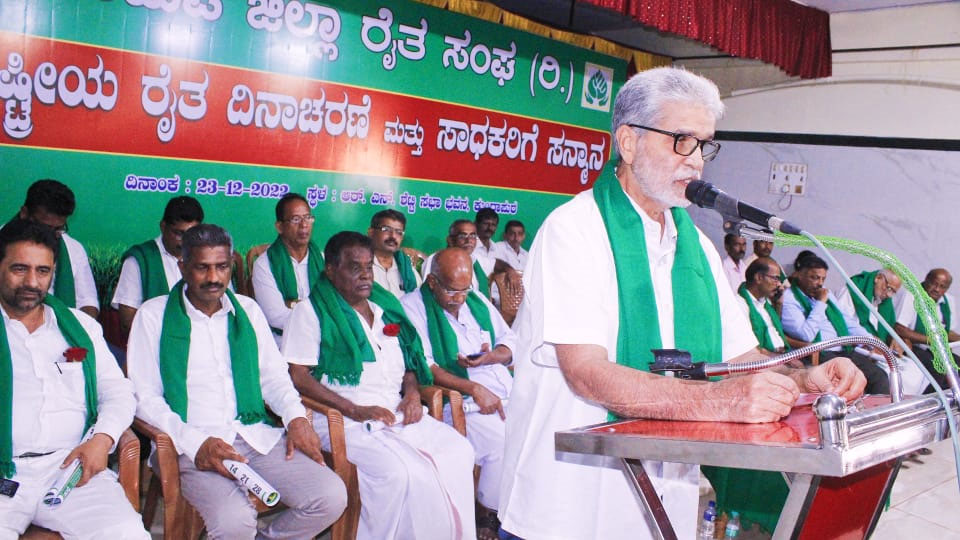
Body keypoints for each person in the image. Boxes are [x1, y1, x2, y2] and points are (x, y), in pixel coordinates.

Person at [497, 66, 866, 540]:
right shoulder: (574, 230)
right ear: (628, 142)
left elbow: (740, 358)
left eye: (704, 145)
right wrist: (720, 401)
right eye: (681, 141)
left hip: (661, 500)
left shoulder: (698, 249)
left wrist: (802, 380)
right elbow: (587, 373)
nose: (695, 162)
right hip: (568, 505)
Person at [127, 224, 347, 539]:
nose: (214, 278)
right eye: (202, 267)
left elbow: (273, 378)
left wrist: (296, 418)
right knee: (234, 521)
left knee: (330, 497)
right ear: (183, 267)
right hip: (189, 444)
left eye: (222, 267)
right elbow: (144, 398)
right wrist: (196, 443)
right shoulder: (153, 316)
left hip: (255, 435)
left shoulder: (248, 311)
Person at [282, 231, 476, 540]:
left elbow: (409, 363)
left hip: (394, 410)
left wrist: (412, 394)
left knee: (459, 451)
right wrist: (354, 410)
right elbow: (298, 376)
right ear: (331, 270)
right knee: (402, 473)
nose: (365, 275)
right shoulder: (310, 312)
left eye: (368, 266)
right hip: (342, 419)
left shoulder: (385, 307)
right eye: (354, 267)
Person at [0, 219, 148, 539]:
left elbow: (118, 391)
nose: (31, 282)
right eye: (19, 269)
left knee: (126, 533)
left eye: (43, 271)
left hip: (72, 467)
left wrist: (102, 439)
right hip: (4, 471)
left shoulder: (80, 327)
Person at [401, 248, 516, 540]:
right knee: (503, 441)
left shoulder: (476, 300)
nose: (460, 298)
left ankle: (522, 511)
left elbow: (510, 340)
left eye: (465, 290)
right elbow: (425, 365)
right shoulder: (412, 308)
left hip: (505, 389)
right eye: (452, 291)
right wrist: (474, 389)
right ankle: (488, 512)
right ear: (432, 282)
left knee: (540, 433)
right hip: (459, 400)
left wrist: (492, 357)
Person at [780, 255, 890, 394]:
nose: (820, 283)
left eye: (823, 279)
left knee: (879, 376)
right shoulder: (790, 299)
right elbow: (806, 335)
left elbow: (846, 321)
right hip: (820, 353)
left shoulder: (825, 293)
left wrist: (871, 340)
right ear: (799, 275)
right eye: (814, 278)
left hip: (843, 349)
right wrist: (820, 303)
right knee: (852, 380)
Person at [111, 196, 204, 335]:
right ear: (163, 227)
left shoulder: (207, 257)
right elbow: (128, 322)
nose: (185, 241)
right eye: (179, 233)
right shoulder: (140, 260)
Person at [835, 268, 927, 396]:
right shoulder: (851, 291)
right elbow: (842, 325)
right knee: (882, 377)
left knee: (916, 371)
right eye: (888, 288)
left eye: (893, 292)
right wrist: (870, 341)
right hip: (851, 349)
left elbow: (887, 328)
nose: (889, 295)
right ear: (878, 278)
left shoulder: (882, 300)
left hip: (874, 349)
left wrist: (894, 339)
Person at [16, 179, 99, 318]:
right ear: (24, 213)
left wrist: (77, 327)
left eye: (58, 228)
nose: (50, 235)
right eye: (45, 227)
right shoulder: (3, 241)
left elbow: (87, 302)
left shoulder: (74, 249)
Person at [251, 193, 323, 344]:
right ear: (280, 227)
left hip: (323, 339)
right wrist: (318, 314)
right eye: (296, 219)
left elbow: (335, 303)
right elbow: (276, 317)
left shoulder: (322, 259)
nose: (304, 225)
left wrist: (292, 304)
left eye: (308, 218)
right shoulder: (265, 264)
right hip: (283, 342)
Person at [894, 268, 960, 393]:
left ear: (947, 289)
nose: (937, 289)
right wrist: (932, 341)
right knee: (938, 369)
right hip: (913, 346)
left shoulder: (948, 301)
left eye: (942, 286)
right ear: (926, 280)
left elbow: (948, 333)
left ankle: (952, 400)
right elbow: (900, 328)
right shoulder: (911, 295)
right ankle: (931, 399)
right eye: (934, 284)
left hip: (936, 349)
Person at [423, 220, 490, 296]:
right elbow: (428, 292)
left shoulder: (474, 260)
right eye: (462, 236)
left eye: (473, 236)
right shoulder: (435, 260)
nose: (469, 240)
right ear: (450, 240)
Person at [737, 257, 789, 354]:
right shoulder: (740, 304)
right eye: (775, 279)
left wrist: (779, 304)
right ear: (759, 278)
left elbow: (775, 331)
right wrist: (779, 358)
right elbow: (751, 348)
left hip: (782, 354)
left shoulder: (765, 302)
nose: (779, 285)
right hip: (765, 359)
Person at [367, 209, 422, 298]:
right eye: (386, 229)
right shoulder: (361, 267)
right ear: (371, 232)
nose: (393, 236)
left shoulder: (408, 270)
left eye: (399, 232)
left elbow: (418, 299)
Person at [474, 208, 500, 279]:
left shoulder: (497, 248)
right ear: (476, 224)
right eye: (486, 224)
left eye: (493, 225)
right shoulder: (470, 246)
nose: (490, 228)